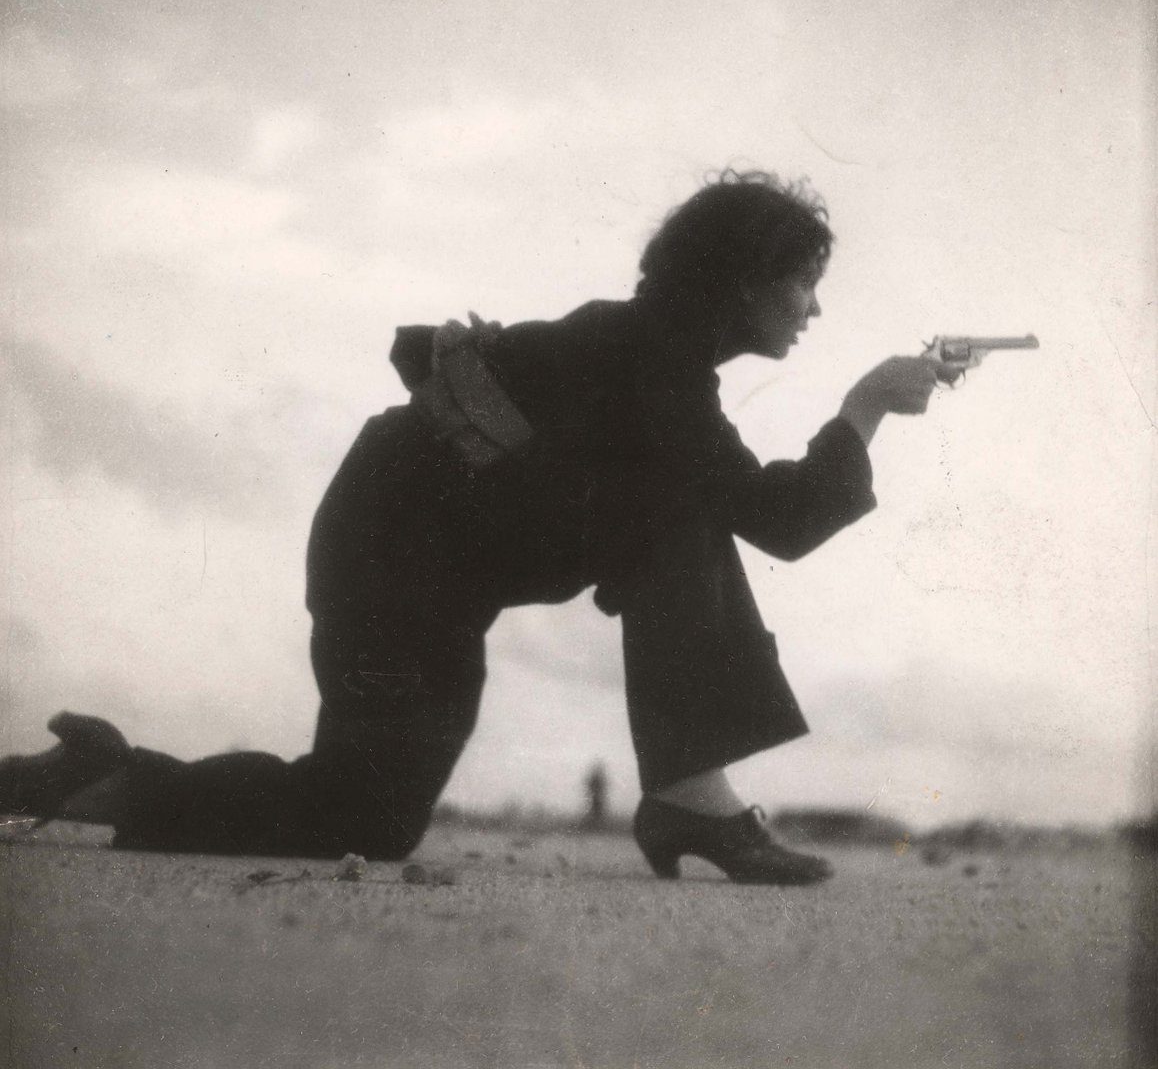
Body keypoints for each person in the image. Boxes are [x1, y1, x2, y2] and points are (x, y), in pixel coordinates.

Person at [0, 170, 948, 885]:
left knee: (367, 813)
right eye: (802, 282)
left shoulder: (650, 351)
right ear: (742, 282)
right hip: (391, 568)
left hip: (418, 562)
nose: (814, 307)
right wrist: (864, 405)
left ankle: (689, 799)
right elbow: (778, 521)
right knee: (362, 818)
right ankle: (104, 780)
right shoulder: (653, 361)